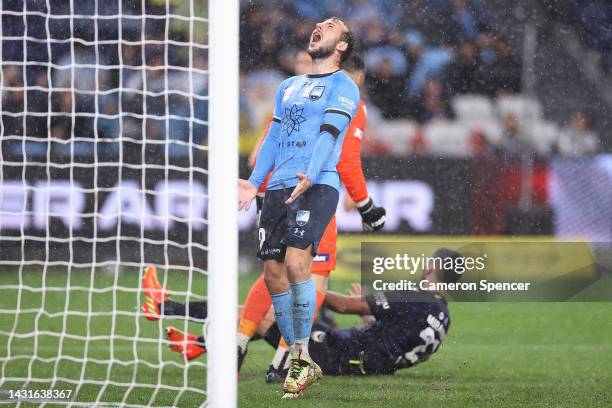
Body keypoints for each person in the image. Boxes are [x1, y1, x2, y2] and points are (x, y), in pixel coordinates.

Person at [141, 54, 387, 384]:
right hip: (305, 194)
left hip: (278, 190)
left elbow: (260, 152)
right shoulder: (345, 98)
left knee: (277, 277)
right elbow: (347, 161)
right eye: (301, 64)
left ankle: (212, 342)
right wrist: (365, 204)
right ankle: (282, 363)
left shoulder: (294, 96)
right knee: (312, 279)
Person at [238, 16, 360, 398]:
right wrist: (254, 183)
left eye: (332, 25)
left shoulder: (344, 87)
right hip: (277, 186)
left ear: (342, 46)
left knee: (295, 265)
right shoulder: (289, 86)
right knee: (273, 272)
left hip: (317, 184)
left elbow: (329, 134)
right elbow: (274, 135)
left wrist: (310, 171)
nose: (321, 26)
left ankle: (300, 355)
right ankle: (300, 359)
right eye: (320, 23)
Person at [156, 248, 463, 377]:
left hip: (343, 353)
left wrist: (307, 287)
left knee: (263, 312)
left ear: (433, 267)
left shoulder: (414, 295)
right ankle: (197, 343)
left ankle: (163, 307)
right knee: (271, 317)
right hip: (364, 359)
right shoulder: (443, 313)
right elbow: (397, 339)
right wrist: (367, 317)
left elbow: (341, 304)